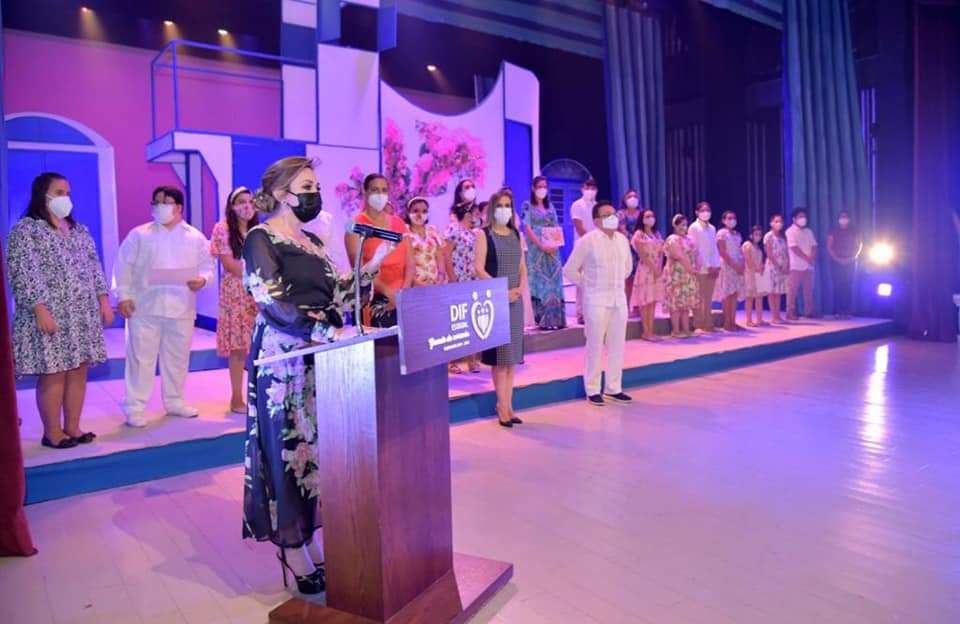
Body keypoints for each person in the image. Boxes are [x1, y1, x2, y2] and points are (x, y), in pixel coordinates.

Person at [242, 156, 390, 595]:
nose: (315, 194)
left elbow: (338, 293)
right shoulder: (259, 238)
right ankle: (292, 548)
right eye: (307, 186)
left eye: (317, 186)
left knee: (315, 451)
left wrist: (372, 265)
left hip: (321, 356)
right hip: (283, 358)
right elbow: (271, 300)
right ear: (282, 193)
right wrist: (322, 330)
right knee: (290, 449)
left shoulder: (311, 241)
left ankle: (310, 538)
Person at [6, 172, 113, 448]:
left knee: (78, 369)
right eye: (59, 193)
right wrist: (39, 308)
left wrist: (103, 300)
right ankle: (52, 432)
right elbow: (23, 272)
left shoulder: (79, 230)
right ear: (43, 195)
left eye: (68, 193)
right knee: (54, 371)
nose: (66, 198)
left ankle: (73, 427)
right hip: (50, 313)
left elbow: (94, 266)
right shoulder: (26, 230)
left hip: (81, 314)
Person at [115, 186, 214, 427]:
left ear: (178, 207)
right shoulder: (139, 235)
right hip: (144, 307)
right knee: (141, 360)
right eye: (156, 202)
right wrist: (123, 296)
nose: (159, 207)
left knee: (177, 359)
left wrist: (202, 280)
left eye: (165, 202)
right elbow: (123, 266)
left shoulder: (195, 237)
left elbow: (208, 267)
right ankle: (135, 407)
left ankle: (174, 401)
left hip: (181, 308)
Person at [563, 200, 634, 407]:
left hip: (618, 299)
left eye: (613, 214)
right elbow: (569, 270)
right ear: (596, 220)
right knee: (594, 345)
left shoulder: (622, 240)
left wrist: (615, 281)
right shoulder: (588, 241)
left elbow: (628, 267)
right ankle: (593, 389)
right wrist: (589, 284)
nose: (612, 218)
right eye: (606, 215)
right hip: (596, 300)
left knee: (617, 346)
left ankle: (613, 388)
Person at [474, 190, 527, 427]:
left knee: (511, 359)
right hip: (496, 300)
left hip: (515, 301)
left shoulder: (516, 234)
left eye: (508, 205)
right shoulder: (483, 234)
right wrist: (501, 292)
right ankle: (501, 406)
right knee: (500, 358)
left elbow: (522, 267)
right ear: (492, 209)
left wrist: (519, 289)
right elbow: (479, 268)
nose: (504, 210)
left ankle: (509, 405)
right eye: (500, 205)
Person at [210, 187, 259, 415]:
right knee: (238, 347)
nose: (246, 206)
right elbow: (229, 264)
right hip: (236, 292)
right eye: (241, 202)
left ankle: (257, 395)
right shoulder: (222, 228)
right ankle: (236, 398)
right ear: (232, 206)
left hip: (258, 292)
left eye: (250, 202)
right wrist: (258, 274)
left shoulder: (258, 230)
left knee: (257, 345)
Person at [344, 173, 411, 327]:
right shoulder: (356, 226)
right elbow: (359, 270)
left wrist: (403, 293)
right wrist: (388, 292)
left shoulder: (399, 223)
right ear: (365, 192)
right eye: (375, 190)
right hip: (374, 300)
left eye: (384, 190)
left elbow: (410, 263)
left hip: (403, 296)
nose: (380, 194)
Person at [522, 176, 566, 330]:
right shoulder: (527, 206)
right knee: (540, 283)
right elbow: (527, 228)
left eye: (545, 186)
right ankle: (543, 320)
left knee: (554, 283)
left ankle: (557, 320)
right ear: (533, 188)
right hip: (537, 251)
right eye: (539, 186)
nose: (543, 189)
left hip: (553, 251)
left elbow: (556, 226)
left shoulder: (551, 206)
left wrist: (556, 244)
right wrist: (541, 245)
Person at [444, 199, 481, 374]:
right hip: (457, 280)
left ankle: (472, 360)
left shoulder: (471, 233)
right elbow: (446, 254)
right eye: (473, 213)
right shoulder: (454, 229)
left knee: (471, 321)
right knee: (456, 322)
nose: (476, 216)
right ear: (466, 214)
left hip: (471, 281)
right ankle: (451, 361)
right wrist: (452, 278)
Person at [630, 208, 665, 341]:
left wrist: (659, 268)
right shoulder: (639, 234)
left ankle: (651, 330)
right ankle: (646, 331)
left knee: (653, 301)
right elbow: (642, 255)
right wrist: (653, 268)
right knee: (645, 301)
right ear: (642, 219)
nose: (650, 218)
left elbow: (661, 252)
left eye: (652, 216)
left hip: (657, 269)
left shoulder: (657, 234)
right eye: (647, 216)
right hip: (645, 269)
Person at [664, 214, 700, 338]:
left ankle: (686, 329)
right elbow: (678, 256)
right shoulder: (672, 239)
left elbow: (695, 254)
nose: (683, 227)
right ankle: (675, 331)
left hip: (688, 275)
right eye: (680, 225)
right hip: (676, 274)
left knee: (685, 304)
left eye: (685, 224)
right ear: (674, 225)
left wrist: (695, 268)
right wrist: (691, 269)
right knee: (676, 303)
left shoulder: (689, 239)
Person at [688, 201, 721, 332]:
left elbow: (714, 248)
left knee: (708, 297)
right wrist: (707, 265)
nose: (706, 212)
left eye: (708, 210)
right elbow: (696, 249)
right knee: (699, 297)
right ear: (697, 212)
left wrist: (716, 265)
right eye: (703, 210)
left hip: (712, 266)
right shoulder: (694, 227)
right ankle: (698, 324)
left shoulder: (712, 228)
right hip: (700, 267)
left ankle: (708, 323)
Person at [569, 178, 598, 324]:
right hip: (582, 246)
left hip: (597, 248)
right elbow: (579, 227)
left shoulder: (597, 206)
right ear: (582, 189)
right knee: (582, 281)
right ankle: (581, 313)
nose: (590, 191)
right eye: (587, 188)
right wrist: (592, 241)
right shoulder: (577, 205)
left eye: (593, 188)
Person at [827, 210, 862, 319]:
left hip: (850, 261)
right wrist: (837, 259)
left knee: (848, 285)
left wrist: (853, 257)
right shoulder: (833, 230)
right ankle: (837, 311)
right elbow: (829, 246)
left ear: (849, 219)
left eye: (845, 217)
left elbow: (859, 245)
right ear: (838, 219)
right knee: (837, 285)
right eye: (841, 217)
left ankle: (847, 311)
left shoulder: (854, 230)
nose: (843, 219)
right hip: (836, 262)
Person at [714, 210, 746, 331]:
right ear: (724, 220)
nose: (732, 220)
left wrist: (742, 264)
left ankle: (733, 320)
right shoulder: (722, 233)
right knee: (727, 294)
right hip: (727, 265)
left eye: (734, 218)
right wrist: (734, 265)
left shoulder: (737, 234)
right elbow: (722, 251)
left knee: (734, 293)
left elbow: (740, 250)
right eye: (729, 218)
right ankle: (727, 322)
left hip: (738, 264)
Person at [404, 196, 446, 287]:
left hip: (435, 284)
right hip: (414, 285)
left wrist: (441, 276)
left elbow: (439, 257)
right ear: (408, 212)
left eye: (424, 211)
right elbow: (403, 262)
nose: (420, 215)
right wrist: (415, 282)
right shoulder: (405, 233)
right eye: (415, 211)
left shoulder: (433, 231)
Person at [785, 208, 818, 319]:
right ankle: (790, 312)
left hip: (809, 266)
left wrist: (811, 258)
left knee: (809, 290)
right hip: (795, 266)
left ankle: (809, 311)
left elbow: (814, 245)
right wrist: (806, 258)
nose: (803, 219)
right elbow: (794, 247)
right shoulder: (790, 231)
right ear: (794, 219)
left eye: (804, 216)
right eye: (800, 217)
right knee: (792, 290)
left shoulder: (809, 231)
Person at [618, 190, 643, 316]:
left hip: (641, 249)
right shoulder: (621, 214)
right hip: (627, 248)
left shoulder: (642, 213)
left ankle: (638, 306)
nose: (632, 198)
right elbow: (622, 230)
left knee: (640, 278)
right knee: (628, 278)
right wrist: (633, 241)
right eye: (629, 196)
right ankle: (627, 305)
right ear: (624, 199)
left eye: (635, 196)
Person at [764, 214, 790, 324]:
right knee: (772, 292)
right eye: (776, 221)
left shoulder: (783, 237)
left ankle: (778, 315)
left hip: (783, 267)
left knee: (778, 292)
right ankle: (773, 316)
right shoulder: (768, 236)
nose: (779, 223)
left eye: (781, 221)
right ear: (771, 223)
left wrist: (787, 265)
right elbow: (769, 253)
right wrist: (778, 266)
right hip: (772, 267)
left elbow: (786, 252)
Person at [742, 225, 768, 326]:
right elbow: (748, 260)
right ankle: (749, 320)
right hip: (750, 273)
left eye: (760, 235)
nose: (758, 236)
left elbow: (762, 259)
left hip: (760, 273)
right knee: (749, 297)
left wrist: (762, 267)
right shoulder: (747, 245)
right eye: (756, 234)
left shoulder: (759, 247)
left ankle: (759, 319)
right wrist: (756, 268)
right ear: (751, 235)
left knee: (759, 297)